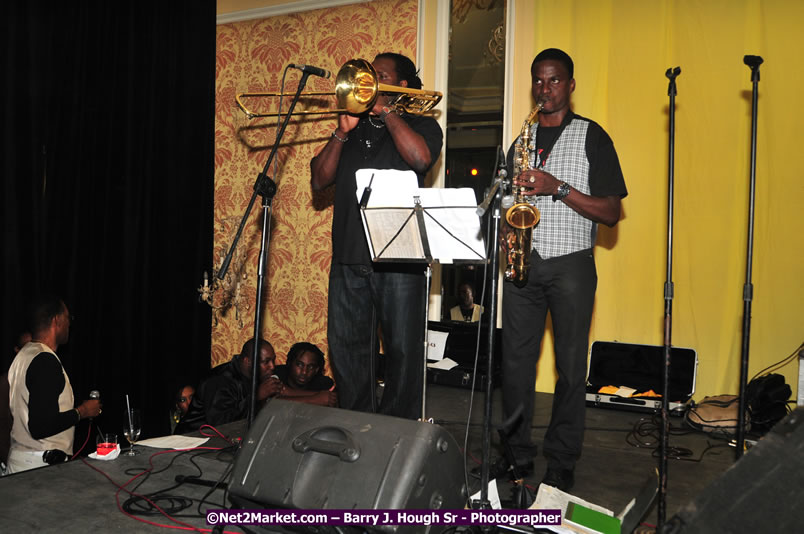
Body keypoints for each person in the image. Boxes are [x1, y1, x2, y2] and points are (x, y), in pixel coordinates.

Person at [499, 48, 627, 491]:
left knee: (571, 368)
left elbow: (611, 212)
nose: (545, 88)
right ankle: (515, 455)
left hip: (571, 264)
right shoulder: (521, 142)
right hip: (524, 263)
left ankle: (562, 458)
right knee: (515, 365)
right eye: (538, 80)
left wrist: (557, 187)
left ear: (570, 85)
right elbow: (507, 200)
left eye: (554, 80)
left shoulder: (593, 136)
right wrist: (505, 226)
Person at [310, 52, 443, 420]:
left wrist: (387, 112)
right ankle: (357, 428)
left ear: (401, 85)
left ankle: (398, 433)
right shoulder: (350, 128)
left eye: (380, 75)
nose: (369, 81)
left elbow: (420, 159)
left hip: (399, 259)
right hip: (348, 258)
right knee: (348, 352)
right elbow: (319, 179)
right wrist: (341, 132)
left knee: (403, 353)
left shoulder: (421, 124)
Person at [6, 295, 102, 473]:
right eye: (67, 318)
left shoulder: (24, 355)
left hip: (23, 461)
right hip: (39, 467)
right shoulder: (45, 361)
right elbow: (40, 426)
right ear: (56, 320)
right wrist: (83, 411)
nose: (69, 324)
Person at [175, 338, 281, 433]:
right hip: (190, 440)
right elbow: (221, 424)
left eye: (273, 360)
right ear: (248, 361)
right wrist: (256, 397)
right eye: (266, 362)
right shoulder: (219, 380)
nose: (272, 366)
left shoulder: (256, 376)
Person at [273, 342, 337, 406]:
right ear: (289, 363)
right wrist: (315, 399)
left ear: (316, 370)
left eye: (311, 367)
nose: (304, 372)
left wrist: (287, 392)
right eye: (299, 365)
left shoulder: (323, 383)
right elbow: (271, 402)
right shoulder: (277, 373)